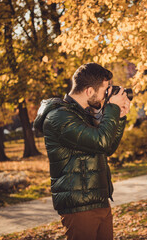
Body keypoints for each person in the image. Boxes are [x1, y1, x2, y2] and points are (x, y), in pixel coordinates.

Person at [33, 63, 130, 240]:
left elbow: (106, 148)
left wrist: (120, 117)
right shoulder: (59, 117)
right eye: (105, 90)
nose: (107, 95)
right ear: (89, 91)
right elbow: (102, 141)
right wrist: (112, 109)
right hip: (79, 206)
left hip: (98, 199)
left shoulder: (83, 114)